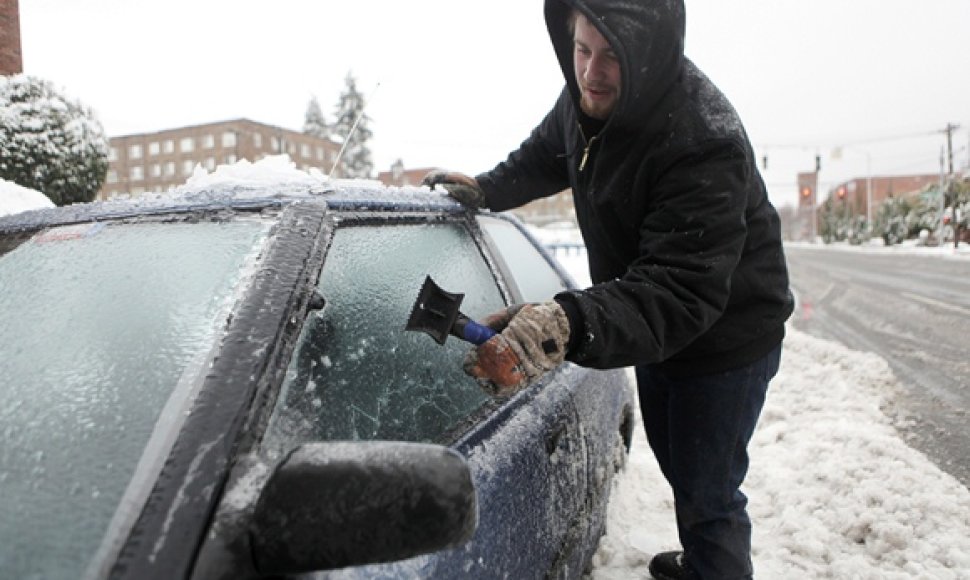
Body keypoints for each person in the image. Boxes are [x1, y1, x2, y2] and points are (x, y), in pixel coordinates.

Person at [423, 1, 793, 579]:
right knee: (679, 465)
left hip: (725, 339)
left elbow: (680, 291)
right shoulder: (583, 100)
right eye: (582, 49)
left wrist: (564, 323)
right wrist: (487, 188)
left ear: (647, 53)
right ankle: (701, 560)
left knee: (710, 493)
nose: (591, 73)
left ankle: (716, 565)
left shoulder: (701, 138)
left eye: (612, 56)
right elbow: (545, 155)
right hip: (649, 320)